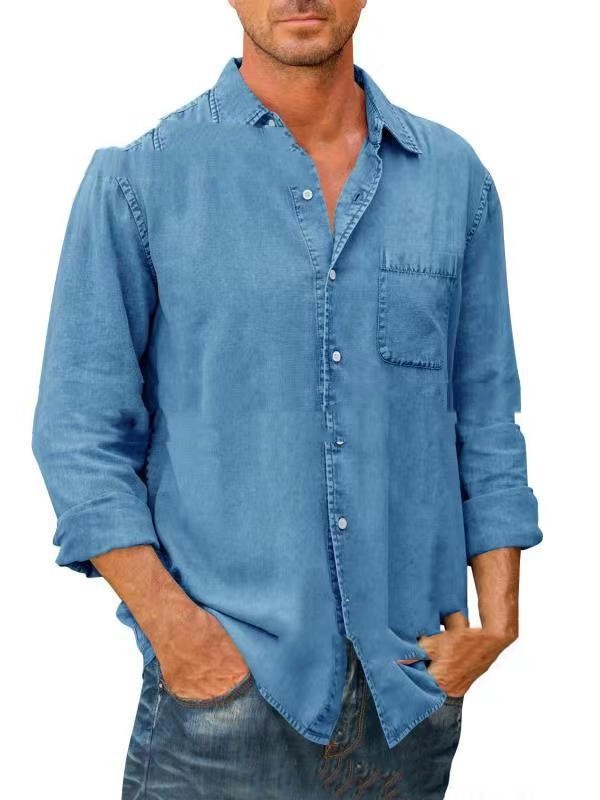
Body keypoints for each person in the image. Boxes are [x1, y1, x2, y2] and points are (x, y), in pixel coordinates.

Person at [31, 1, 543, 798]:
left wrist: (499, 620)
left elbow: (484, 413)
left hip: (407, 696)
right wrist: (182, 638)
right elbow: (78, 431)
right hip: (222, 701)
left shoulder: (453, 181)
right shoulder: (142, 181)